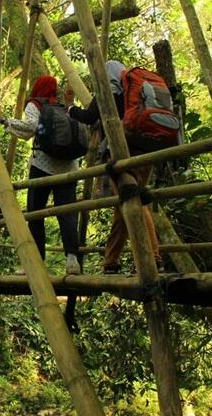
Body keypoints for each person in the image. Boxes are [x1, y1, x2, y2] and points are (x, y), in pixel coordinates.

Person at [65, 60, 163, 274]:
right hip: (148, 149)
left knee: (135, 202)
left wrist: (70, 108)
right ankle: (111, 262)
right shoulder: (134, 95)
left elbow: (88, 117)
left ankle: (154, 258)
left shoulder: (108, 92)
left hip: (123, 152)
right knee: (124, 206)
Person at [0, 75, 81, 275]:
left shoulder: (35, 105)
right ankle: (72, 260)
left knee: (35, 213)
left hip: (42, 164)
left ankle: (37, 262)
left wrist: (3, 119)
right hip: (69, 167)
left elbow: (30, 129)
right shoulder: (63, 106)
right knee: (68, 213)